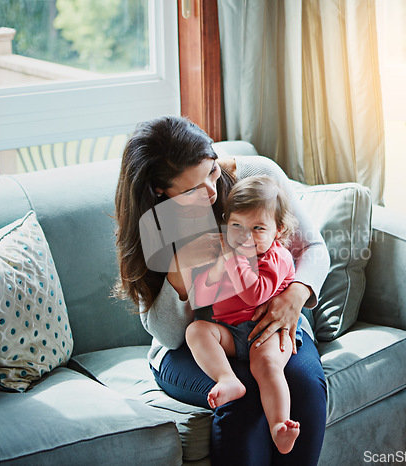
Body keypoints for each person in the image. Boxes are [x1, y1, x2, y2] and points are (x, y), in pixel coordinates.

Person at [114, 115, 329, 466]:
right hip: (198, 344)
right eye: (192, 191)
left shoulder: (257, 176)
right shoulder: (152, 223)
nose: (212, 192)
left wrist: (296, 294)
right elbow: (169, 336)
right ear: (159, 190)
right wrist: (179, 273)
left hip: (269, 321)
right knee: (244, 403)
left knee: (305, 388)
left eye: (212, 171)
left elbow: (314, 248)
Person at [187, 175, 302, 455]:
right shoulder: (227, 253)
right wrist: (216, 270)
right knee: (197, 331)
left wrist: (235, 260)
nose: (245, 236)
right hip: (231, 330)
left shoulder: (276, 257)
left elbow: (256, 294)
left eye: (258, 228)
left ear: (278, 230)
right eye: (237, 226)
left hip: (268, 331)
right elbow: (200, 297)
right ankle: (227, 379)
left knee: (266, 367)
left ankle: (279, 427)